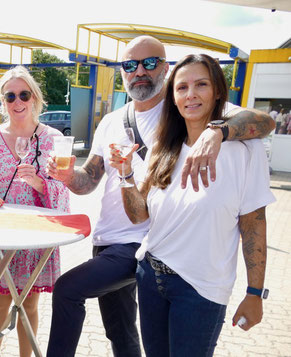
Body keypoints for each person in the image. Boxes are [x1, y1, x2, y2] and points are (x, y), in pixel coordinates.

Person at [46, 36, 275, 357]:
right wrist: (70, 176)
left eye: (149, 63)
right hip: (125, 251)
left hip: (159, 257)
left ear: (164, 69)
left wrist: (216, 132)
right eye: (129, 65)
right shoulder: (124, 125)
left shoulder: (194, 118)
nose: (139, 70)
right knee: (121, 335)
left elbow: (264, 121)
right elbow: (91, 181)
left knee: (68, 290)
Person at [112, 53, 275, 356]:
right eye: (182, 87)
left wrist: (255, 293)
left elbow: (253, 223)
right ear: (172, 97)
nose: (191, 94)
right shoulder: (164, 146)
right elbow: (139, 215)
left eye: (201, 84)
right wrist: (125, 174)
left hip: (200, 289)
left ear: (217, 92)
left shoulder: (244, 148)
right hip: (151, 277)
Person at [0, 66, 70, 357]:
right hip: (0, 234)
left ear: (35, 98)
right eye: (10, 96)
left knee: (29, 305)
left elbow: (64, 191)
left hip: (35, 235)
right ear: (2, 102)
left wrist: (39, 183)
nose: (17, 102)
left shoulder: (52, 139)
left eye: (23, 94)